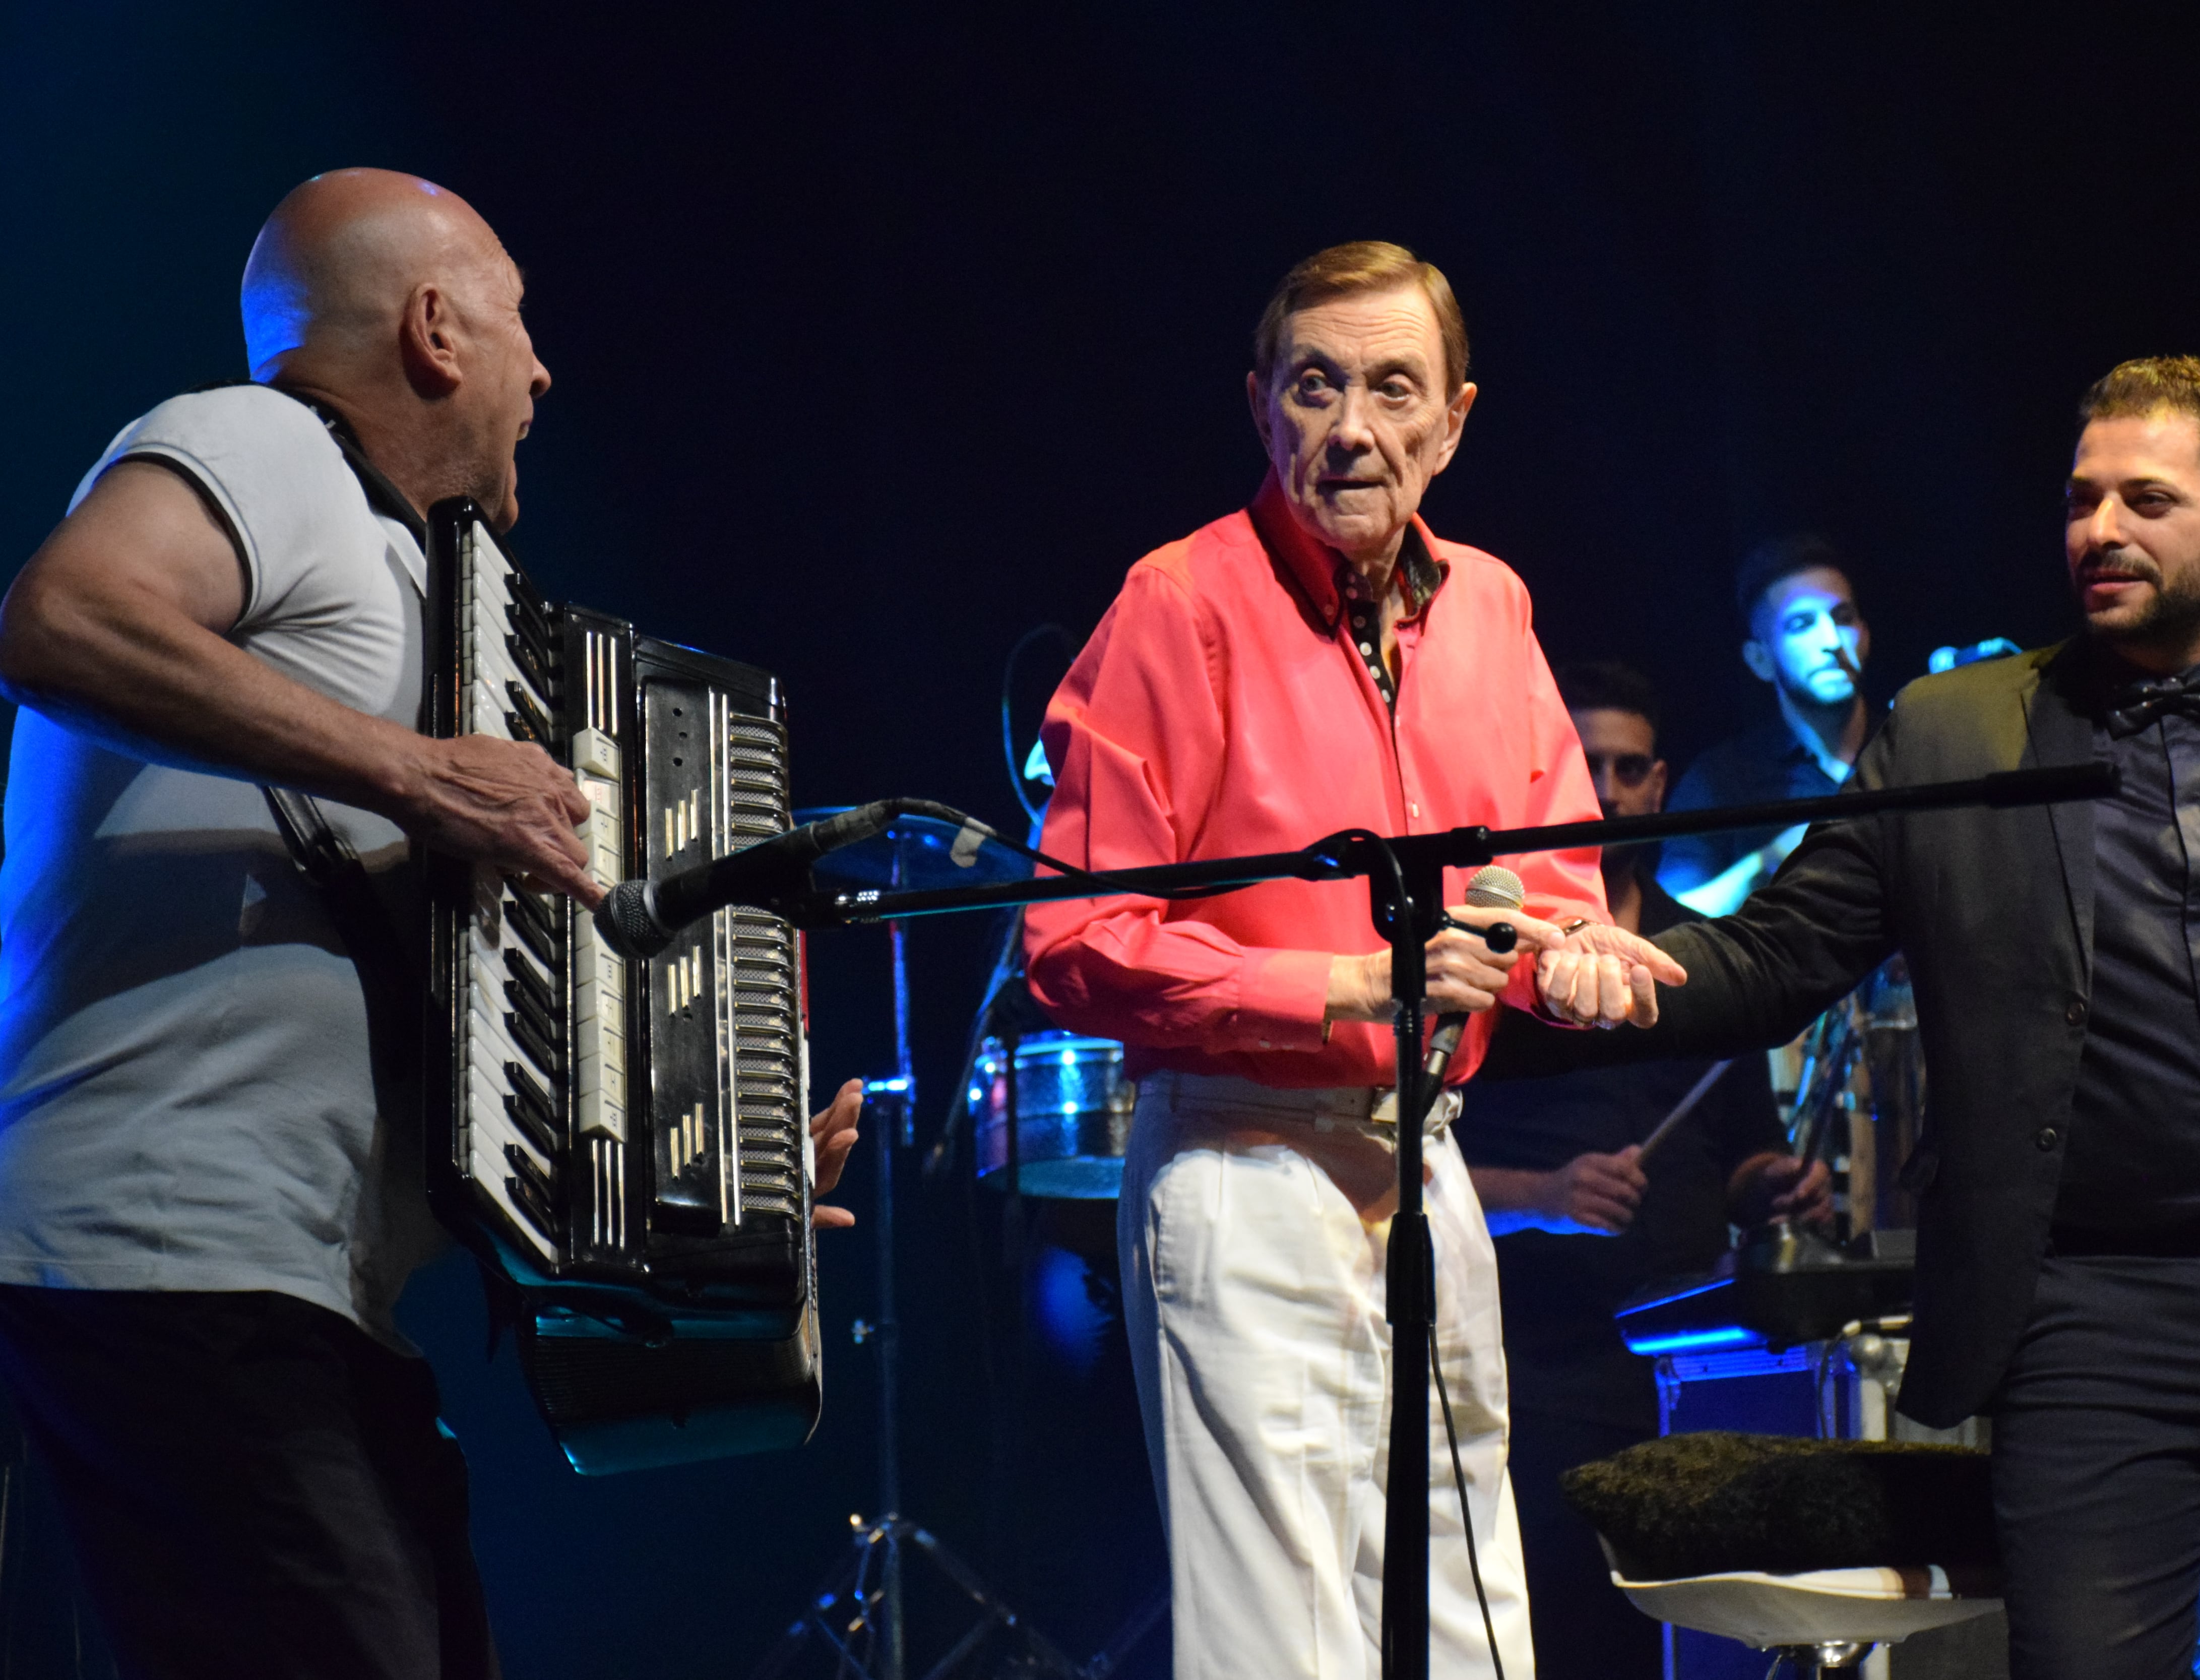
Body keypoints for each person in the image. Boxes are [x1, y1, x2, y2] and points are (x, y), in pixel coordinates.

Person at [0, 169, 860, 1680]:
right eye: (522, 329)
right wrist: (418, 773)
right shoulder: (262, 443)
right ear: (435, 328)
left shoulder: (431, 590)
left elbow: (459, 1035)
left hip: (314, 1300)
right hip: (171, 1259)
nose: (544, 376)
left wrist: (719, 1168)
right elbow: (60, 620)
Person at [1648, 355, 2200, 1678]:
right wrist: (1591, 968)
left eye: (2145, 499)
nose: (2098, 529)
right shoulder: (1954, 729)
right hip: (2091, 1313)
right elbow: (1776, 957)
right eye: (2079, 498)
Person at [1024, 240, 1684, 1680]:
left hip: (1427, 1155)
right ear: (1262, 405)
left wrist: (1563, 958)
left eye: (1395, 389)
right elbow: (1072, 944)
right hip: (1240, 1157)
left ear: (1454, 420)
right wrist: (1344, 983)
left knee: (1471, 1613)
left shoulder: (1493, 606)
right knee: (1289, 1640)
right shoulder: (1178, 602)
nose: (1353, 429)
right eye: (1317, 387)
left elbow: (1547, 884)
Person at [1457, 659, 1829, 1678]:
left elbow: (1746, 1142)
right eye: (1587, 766)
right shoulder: (1487, 964)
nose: (1611, 791)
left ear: (1660, 783)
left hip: (1692, 1369)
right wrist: (1543, 1195)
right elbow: (1412, 1171)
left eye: (1630, 769)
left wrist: (1773, 1184)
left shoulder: (1703, 953)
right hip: (1535, 1377)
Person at [1658, 535, 1871, 915]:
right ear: (1760, 660)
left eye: (1843, 618)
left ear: (1866, 634)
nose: (1831, 640)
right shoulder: (1719, 779)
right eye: (1801, 624)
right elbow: (1669, 917)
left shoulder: (1913, 745)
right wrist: (1771, 860)